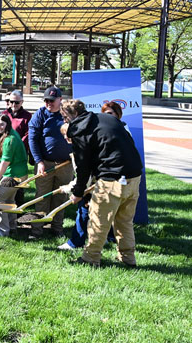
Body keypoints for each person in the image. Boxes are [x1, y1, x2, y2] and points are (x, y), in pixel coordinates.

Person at [60, 99, 143, 267]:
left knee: (98, 220)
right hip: (134, 175)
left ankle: (90, 259)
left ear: (70, 115)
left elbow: (83, 166)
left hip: (111, 179)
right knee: (124, 221)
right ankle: (128, 259)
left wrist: (77, 192)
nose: (65, 121)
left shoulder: (78, 130)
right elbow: (128, 143)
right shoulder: (108, 119)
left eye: (64, 117)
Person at [27, 86, 73, 240]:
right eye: (47, 100)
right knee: (42, 198)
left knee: (61, 197)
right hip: (45, 164)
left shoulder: (67, 115)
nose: (49, 103)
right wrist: (39, 161)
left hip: (65, 165)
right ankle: (37, 230)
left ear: (60, 100)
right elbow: (32, 139)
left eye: (52, 101)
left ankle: (57, 228)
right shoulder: (40, 115)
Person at [0, 114, 28, 237]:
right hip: (21, 174)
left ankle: (2, 230)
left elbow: (4, 163)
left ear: (7, 124)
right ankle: (12, 227)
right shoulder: (13, 134)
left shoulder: (9, 140)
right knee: (9, 200)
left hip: (13, 175)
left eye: (2, 124)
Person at [2, 90, 32, 155]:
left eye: (16, 102)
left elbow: (28, 134)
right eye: (11, 102)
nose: (13, 104)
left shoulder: (27, 116)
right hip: (4, 149)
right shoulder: (4, 114)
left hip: (19, 151)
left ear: (22, 102)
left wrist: (17, 146)